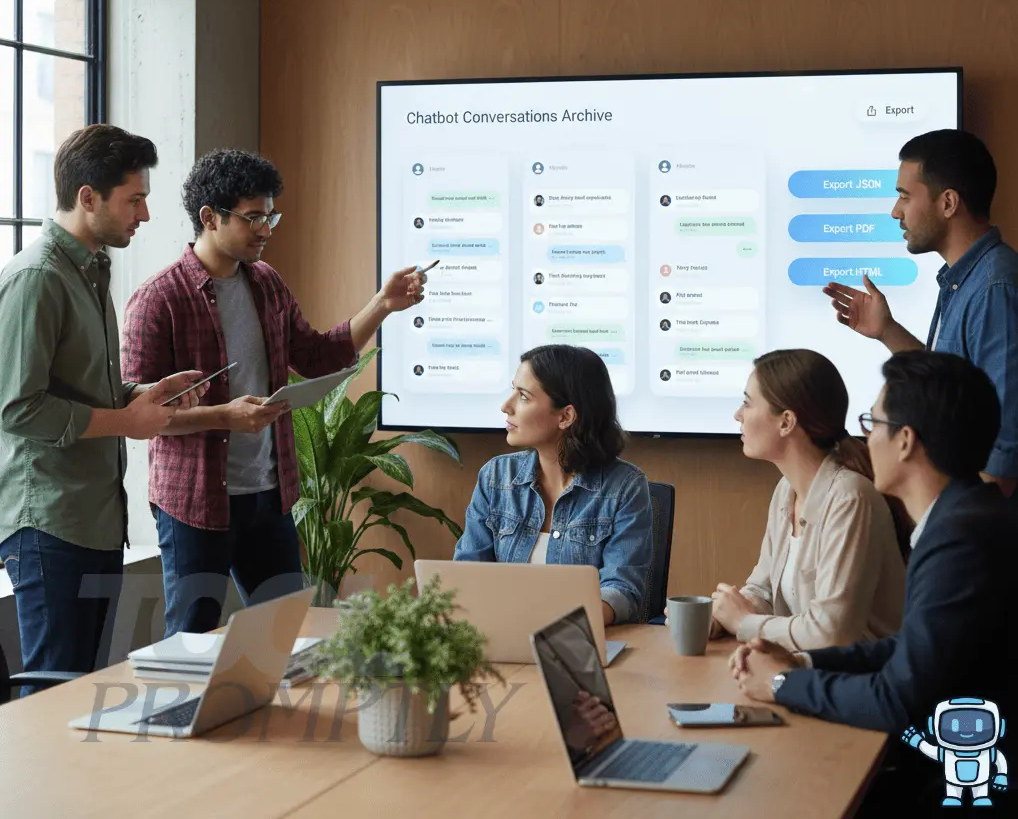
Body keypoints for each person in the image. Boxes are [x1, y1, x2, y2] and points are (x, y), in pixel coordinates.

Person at [121, 149, 428, 636]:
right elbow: (139, 417)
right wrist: (225, 416)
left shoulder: (266, 284)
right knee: (190, 638)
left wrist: (382, 305)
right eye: (253, 218)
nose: (265, 229)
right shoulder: (159, 300)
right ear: (209, 217)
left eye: (270, 216)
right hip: (196, 502)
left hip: (269, 495)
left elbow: (318, 356)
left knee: (286, 633)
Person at [731, 352, 1018, 809]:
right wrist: (803, 665)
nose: (865, 437)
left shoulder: (960, 540)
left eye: (874, 422)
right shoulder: (963, 518)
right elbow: (908, 649)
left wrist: (783, 685)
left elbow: (897, 698)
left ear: (906, 441)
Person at [0, 124, 206, 678]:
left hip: (93, 519)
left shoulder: (91, 272)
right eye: (134, 200)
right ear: (87, 198)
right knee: (51, 692)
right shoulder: (37, 278)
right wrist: (127, 420)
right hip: (49, 523)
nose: (143, 215)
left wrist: (148, 394)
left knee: (81, 687)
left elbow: (87, 392)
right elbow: (16, 409)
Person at [823, 130, 1018, 501]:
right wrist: (887, 331)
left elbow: (1007, 448)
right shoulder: (963, 280)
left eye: (903, 195)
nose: (895, 211)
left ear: (948, 203)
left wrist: (960, 532)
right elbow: (949, 390)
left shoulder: (996, 289)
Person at [706, 350, 906, 652]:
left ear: (786, 422)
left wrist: (744, 623)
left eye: (747, 403)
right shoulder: (786, 489)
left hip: (861, 683)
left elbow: (830, 633)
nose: (738, 414)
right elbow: (763, 589)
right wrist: (720, 616)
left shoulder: (850, 498)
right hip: (810, 673)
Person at [454, 344, 653, 625]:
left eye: (523, 396)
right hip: (499, 636)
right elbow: (467, 575)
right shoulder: (495, 477)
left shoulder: (626, 487)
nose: (506, 406)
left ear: (566, 416)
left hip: (580, 644)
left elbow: (622, 591)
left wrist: (554, 621)